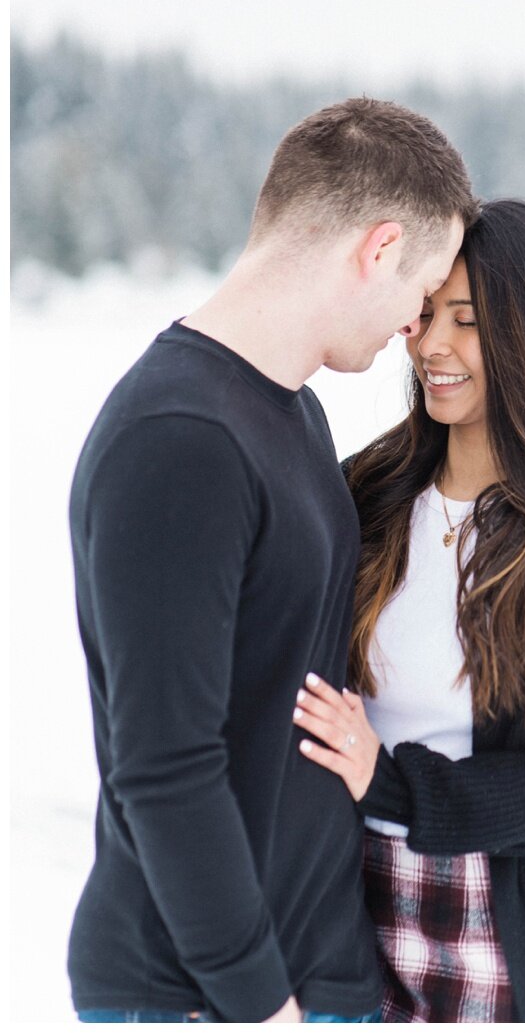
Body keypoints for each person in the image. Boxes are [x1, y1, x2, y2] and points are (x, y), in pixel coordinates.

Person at [67, 98, 476, 1023]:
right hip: (203, 996)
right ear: (377, 250)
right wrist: (261, 1004)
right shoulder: (179, 438)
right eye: (420, 294)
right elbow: (164, 766)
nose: (416, 328)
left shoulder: (291, 410)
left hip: (318, 974)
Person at [289, 199, 525, 1022]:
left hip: (522, 972)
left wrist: (397, 790)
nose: (433, 345)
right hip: (352, 943)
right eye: (427, 313)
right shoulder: (367, 494)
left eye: (468, 321)